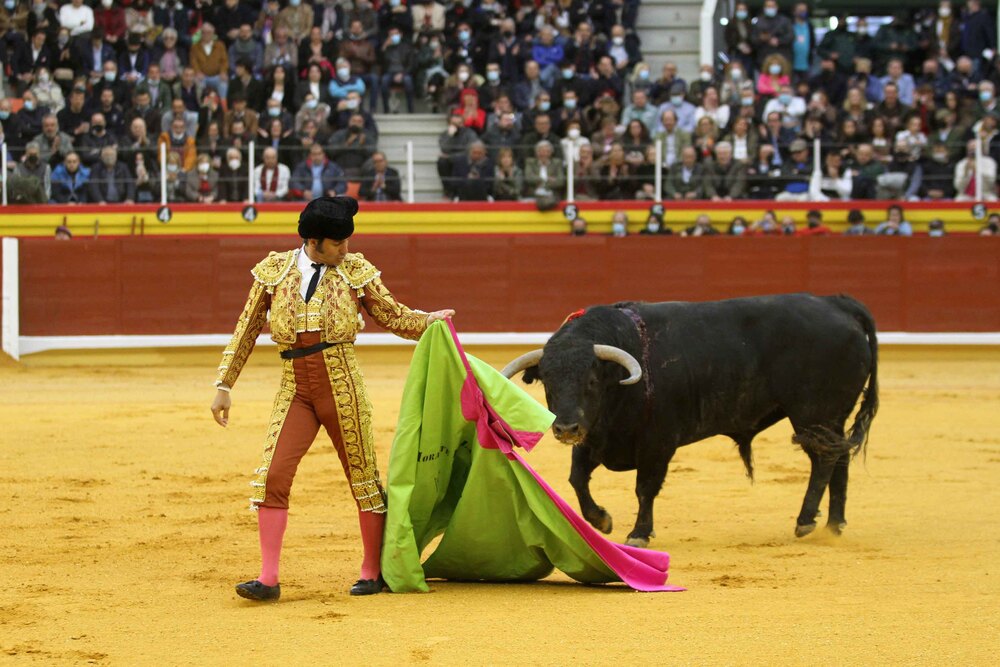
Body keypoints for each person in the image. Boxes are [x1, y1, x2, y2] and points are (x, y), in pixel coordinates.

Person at [211, 196, 455, 601]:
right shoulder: (273, 272)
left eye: (347, 242)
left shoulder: (357, 271)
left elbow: (393, 315)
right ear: (314, 241)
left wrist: (430, 320)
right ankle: (268, 579)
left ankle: (371, 571)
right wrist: (224, 384)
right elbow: (247, 328)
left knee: (362, 477)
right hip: (295, 387)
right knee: (272, 476)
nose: (346, 250)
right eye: (338, 244)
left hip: (342, 383)